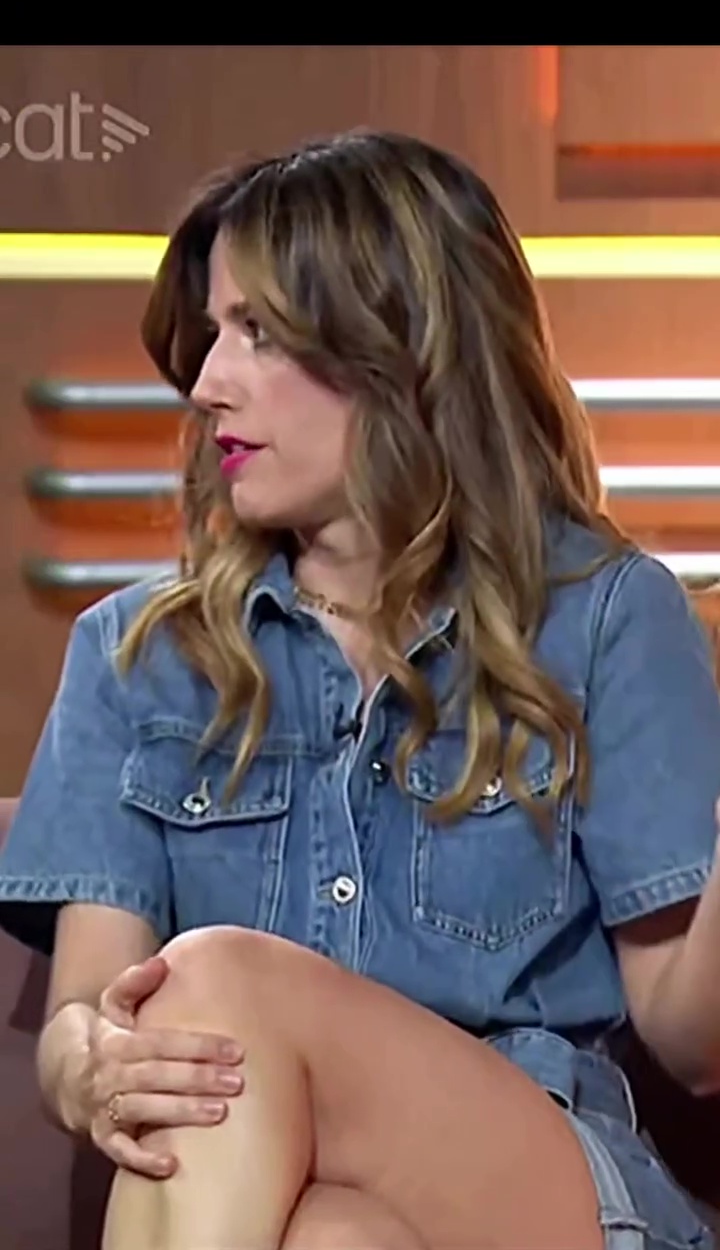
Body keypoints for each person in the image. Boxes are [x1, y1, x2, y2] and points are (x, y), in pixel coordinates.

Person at [0, 130, 718, 1250]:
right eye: (211, 334)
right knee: (335, 1240)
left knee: (220, 981)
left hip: (542, 1180)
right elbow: (87, 1005)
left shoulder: (605, 615)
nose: (206, 384)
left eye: (257, 332)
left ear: (401, 349)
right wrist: (85, 1065)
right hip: (283, 1195)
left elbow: (695, 1040)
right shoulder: (136, 653)